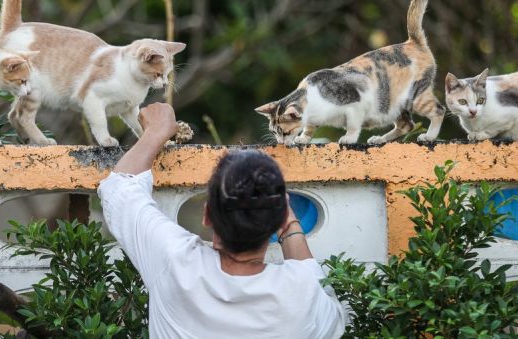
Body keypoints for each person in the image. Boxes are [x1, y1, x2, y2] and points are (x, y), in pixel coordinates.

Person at [97, 103, 346, 338]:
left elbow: (120, 190)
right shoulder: (302, 294)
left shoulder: (176, 262)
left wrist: (156, 132)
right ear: (279, 219)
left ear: (207, 215)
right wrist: (289, 224)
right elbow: (331, 313)